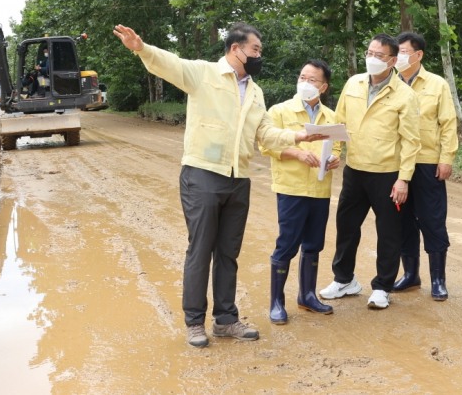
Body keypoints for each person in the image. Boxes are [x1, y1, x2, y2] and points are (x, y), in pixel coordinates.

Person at [111, 23, 326, 348]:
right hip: (202, 174)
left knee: (228, 252)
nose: (258, 56)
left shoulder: (255, 92)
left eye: (260, 52)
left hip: (238, 179)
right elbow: (170, 64)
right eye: (255, 50)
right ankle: (194, 322)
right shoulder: (204, 74)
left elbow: (265, 133)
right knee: (200, 250)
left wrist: (299, 135)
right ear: (236, 49)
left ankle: (226, 320)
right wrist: (141, 48)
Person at [319, 34, 420, 310]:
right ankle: (344, 279)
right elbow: (338, 122)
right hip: (355, 170)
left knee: (389, 232)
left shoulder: (404, 95)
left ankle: (382, 286)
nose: (372, 58)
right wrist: (336, 153)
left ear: (392, 60)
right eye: (369, 53)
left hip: (387, 174)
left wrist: (403, 179)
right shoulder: (354, 83)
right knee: (346, 227)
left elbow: (412, 141)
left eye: (379, 55)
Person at [259, 60, 343, 324]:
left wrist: (334, 160)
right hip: (292, 188)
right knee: (287, 243)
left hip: (319, 188)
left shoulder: (330, 117)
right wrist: (296, 153)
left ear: (324, 86)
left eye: (313, 80)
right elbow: (266, 145)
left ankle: (307, 295)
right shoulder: (280, 111)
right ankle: (276, 302)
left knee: (313, 244)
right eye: (302, 77)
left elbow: (337, 147)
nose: (306, 83)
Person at [390, 32, 458, 301]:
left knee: (432, 219)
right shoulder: (390, 83)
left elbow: (448, 123)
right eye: (398, 52)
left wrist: (446, 158)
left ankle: (438, 280)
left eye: (404, 52)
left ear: (418, 55)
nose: (399, 57)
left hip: (428, 162)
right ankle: (410, 275)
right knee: (402, 220)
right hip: (396, 165)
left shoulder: (436, 84)